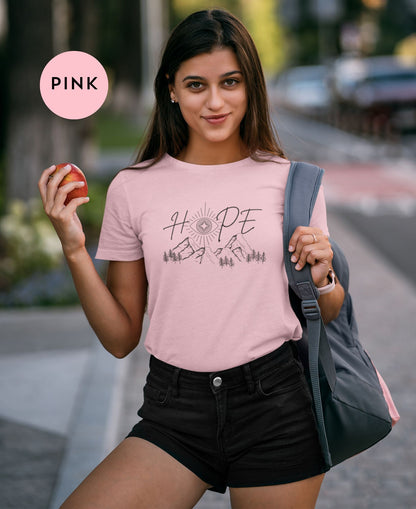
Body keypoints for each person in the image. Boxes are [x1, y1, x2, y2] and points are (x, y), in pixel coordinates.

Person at [38, 8, 345, 509]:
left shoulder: (294, 181)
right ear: (172, 89)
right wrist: (74, 249)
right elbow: (120, 339)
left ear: (251, 86)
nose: (216, 101)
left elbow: (326, 309)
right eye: (197, 85)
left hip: (277, 406)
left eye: (231, 82)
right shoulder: (133, 189)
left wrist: (324, 276)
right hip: (174, 409)